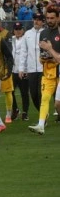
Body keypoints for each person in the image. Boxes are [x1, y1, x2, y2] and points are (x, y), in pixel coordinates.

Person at [31, 7, 60, 135]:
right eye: (47, 18)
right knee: (45, 98)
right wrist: (43, 58)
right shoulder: (43, 33)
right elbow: (42, 54)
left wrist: (50, 51)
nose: (49, 20)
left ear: (58, 18)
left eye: (52, 18)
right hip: (48, 71)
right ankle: (41, 125)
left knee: (57, 104)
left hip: (59, 71)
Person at [17, 13, 44, 121]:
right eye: (35, 19)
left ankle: (43, 117)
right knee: (33, 94)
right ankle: (42, 113)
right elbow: (24, 52)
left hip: (43, 69)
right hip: (31, 69)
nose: (36, 21)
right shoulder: (27, 34)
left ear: (43, 21)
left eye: (39, 19)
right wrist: (21, 68)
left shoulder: (45, 32)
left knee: (41, 94)